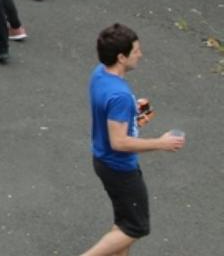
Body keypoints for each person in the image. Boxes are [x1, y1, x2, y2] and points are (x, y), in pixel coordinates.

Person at [78, 23, 185, 256]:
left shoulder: (100, 74)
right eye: (135, 51)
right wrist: (162, 143)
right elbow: (120, 143)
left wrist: (132, 116)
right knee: (136, 227)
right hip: (119, 168)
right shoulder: (120, 96)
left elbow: (108, 113)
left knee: (124, 222)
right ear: (121, 57)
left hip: (103, 159)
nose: (140, 55)